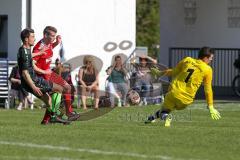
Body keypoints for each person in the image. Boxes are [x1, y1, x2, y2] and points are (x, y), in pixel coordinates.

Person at [145, 47, 221, 127]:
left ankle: (166, 117)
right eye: (211, 58)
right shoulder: (208, 69)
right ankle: (152, 118)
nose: (211, 60)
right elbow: (208, 89)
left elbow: (174, 72)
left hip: (174, 93)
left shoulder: (187, 60)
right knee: (167, 108)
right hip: (186, 100)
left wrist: (160, 73)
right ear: (205, 58)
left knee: (164, 111)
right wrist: (210, 106)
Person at [17, 28, 70, 125]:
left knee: (49, 100)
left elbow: (30, 56)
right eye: (32, 36)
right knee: (60, 89)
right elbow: (25, 72)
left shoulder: (25, 50)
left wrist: (41, 52)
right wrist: (34, 85)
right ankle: (60, 115)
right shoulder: (26, 51)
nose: (34, 38)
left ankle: (50, 119)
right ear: (26, 39)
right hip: (34, 80)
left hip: (34, 79)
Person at [32, 26, 79, 122]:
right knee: (59, 91)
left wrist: (56, 43)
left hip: (49, 74)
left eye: (55, 36)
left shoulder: (48, 43)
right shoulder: (38, 48)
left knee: (66, 88)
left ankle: (48, 119)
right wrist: (43, 72)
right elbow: (32, 65)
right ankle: (63, 115)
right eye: (52, 36)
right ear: (45, 35)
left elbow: (49, 48)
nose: (54, 38)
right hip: (42, 77)